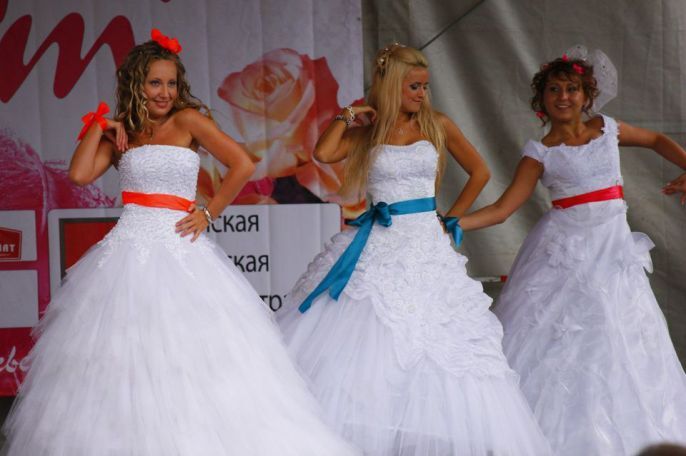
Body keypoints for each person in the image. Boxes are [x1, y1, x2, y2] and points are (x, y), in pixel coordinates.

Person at [1, 29, 358, 456]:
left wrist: (208, 212)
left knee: (191, 355)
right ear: (137, 84)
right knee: (122, 356)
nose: (165, 92)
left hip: (179, 248)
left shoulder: (188, 121)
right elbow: (79, 175)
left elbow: (242, 163)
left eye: (171, 83)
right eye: (155, 83)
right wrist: (98, 126)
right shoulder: (123, 134)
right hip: (126, 255)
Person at [278, 43, 551, 456]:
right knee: (371, 332)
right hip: (378, 242)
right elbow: (324, 152)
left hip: (425, 241)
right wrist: (349, 114)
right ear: (391, 87)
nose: (421, 93)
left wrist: (451, 219)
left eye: (425, 86)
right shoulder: (369, 132)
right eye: (413, 86)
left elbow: (480, 172)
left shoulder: (437, 124)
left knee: (434, 337)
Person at [459, 48, 686, 455]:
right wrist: (453, 223)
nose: (563, 96)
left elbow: (654, 139)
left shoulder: (609, 130)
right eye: (554, 89)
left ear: (587, 95)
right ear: (541, 100)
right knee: (560, 340)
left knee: (621, 335)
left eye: (572, 89)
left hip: (612, 253)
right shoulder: (539, 151)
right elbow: (503, 208)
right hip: (565, 254)